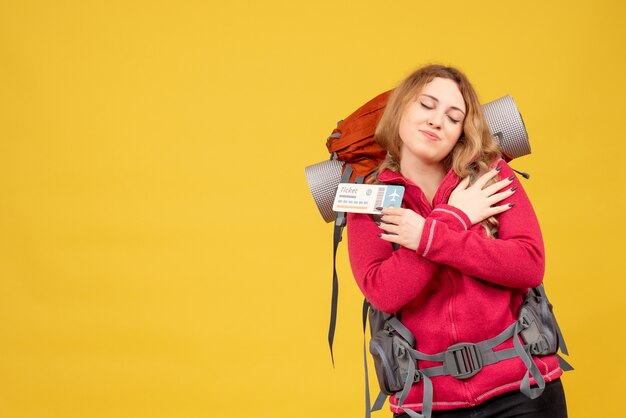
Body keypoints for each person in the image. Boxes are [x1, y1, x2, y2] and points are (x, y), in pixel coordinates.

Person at [346, 65, 567, 418]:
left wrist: (428, 237)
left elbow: (528, 265)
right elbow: (384, 292)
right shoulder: (367, 200)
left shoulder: (491, 176)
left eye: (453, 117)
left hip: (524, 388)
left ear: (462, 132)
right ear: (400, 109)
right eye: (426, 105)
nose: (437, 121)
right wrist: (455, 218)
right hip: (428, 403)